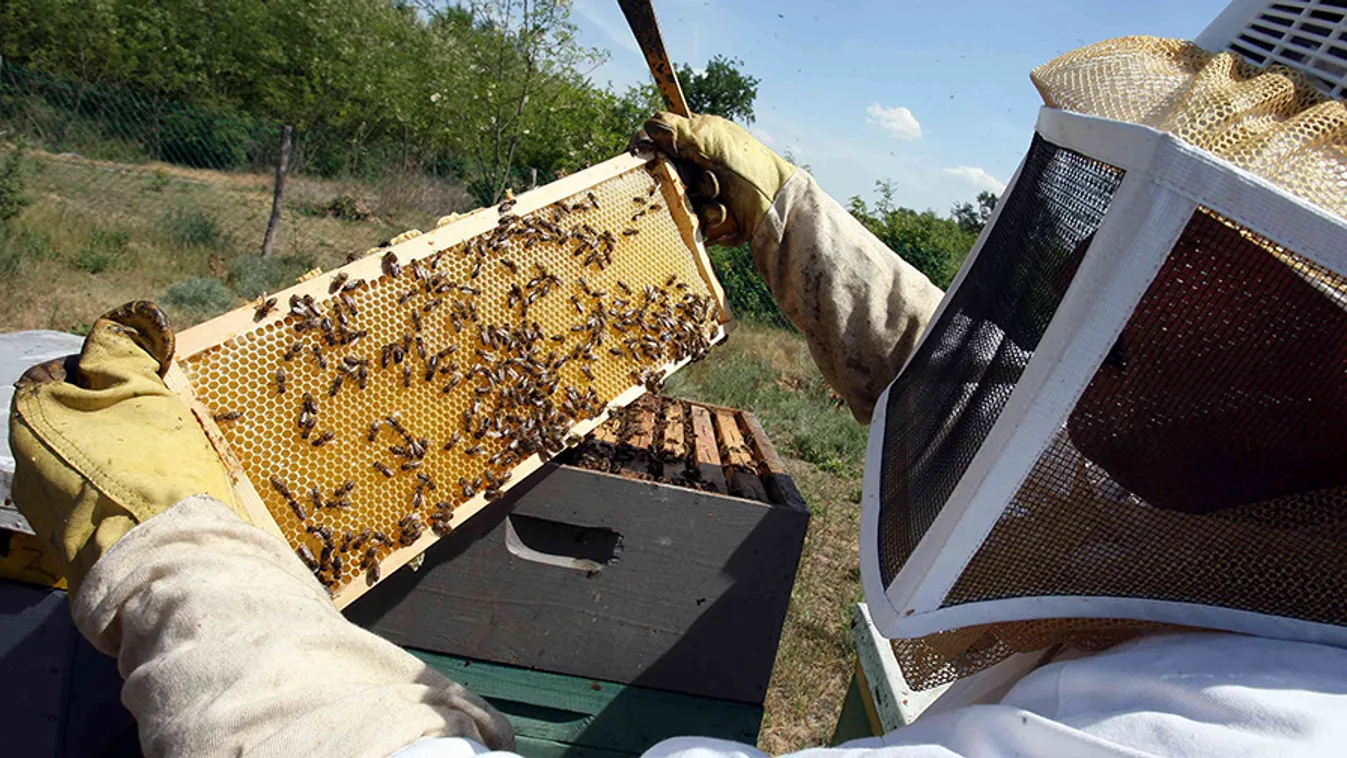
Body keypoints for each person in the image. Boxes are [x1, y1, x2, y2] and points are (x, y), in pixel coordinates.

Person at [11, 38, 1347, 758]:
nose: (1096, 280)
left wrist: (178, 553)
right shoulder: (1267, 526)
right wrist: (790, 218)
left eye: (1224, 267)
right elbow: (1004, 418)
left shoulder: (1224, 732)